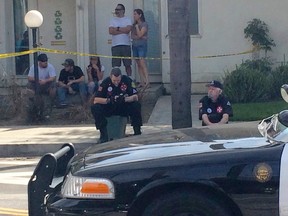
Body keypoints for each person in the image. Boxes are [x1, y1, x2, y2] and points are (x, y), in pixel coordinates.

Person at [91, 67, 142, 143]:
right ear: (110, 77)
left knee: (136, 105)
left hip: (123, 106)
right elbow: (96, 100)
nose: (116, 82)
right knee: (95, 107)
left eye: (118, 80)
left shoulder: (127, 80)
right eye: (114, 80)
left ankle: (137, 131)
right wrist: (109, 100)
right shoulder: (105, 82)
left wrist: (125, 99)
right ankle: (104, 134)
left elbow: (136, 97)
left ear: (121, 77)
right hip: (110, 106)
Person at [109, 3, 132, 77]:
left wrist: (117, 28)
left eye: (118, 9)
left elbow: (128, 30)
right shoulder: (112, 20)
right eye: (116, 9)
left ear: (123, 10)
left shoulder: (127, 19)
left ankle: (129, 79)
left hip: (125, 45)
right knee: (115, 66)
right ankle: (115, 80)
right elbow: (111, 31)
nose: (116, 11)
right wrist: (122, 30)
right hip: (115, 45)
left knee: (127, 64)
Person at [131, 9, 150, 88]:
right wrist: (141, 37)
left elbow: (139, 34)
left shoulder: (144, 24)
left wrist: (137, 28)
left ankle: (147, 82)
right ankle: (142, 81)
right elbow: (132, 36)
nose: (134, 15)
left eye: (135, 14)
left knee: (142, 63)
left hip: (141, 46)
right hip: (134, 45)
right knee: (138, 64)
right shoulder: (133, 25)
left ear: (140, 15)